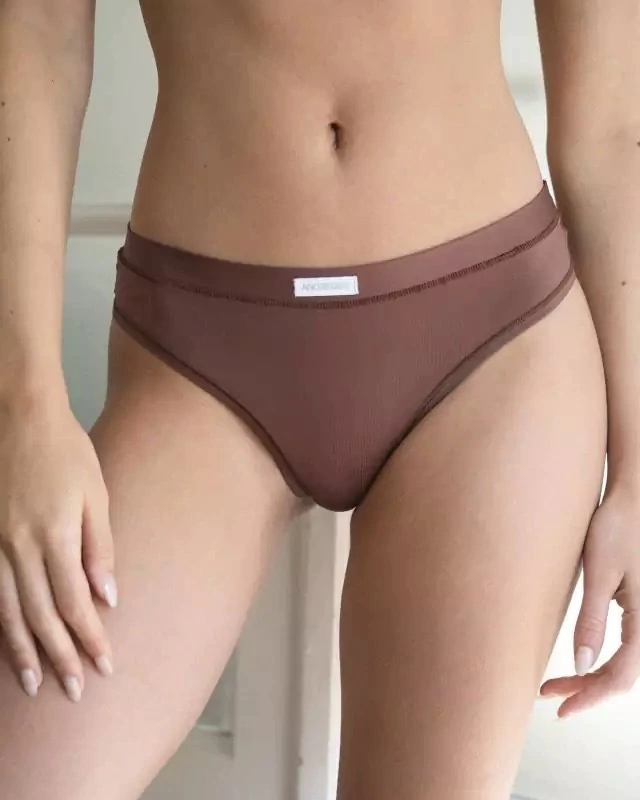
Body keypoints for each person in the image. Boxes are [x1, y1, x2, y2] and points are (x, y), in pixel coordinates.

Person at [0, 0, 637, 798]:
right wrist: (24, 411)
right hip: (199, 354)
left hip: (493, 350)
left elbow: (612, 130)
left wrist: (638, 468)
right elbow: (37, 33)